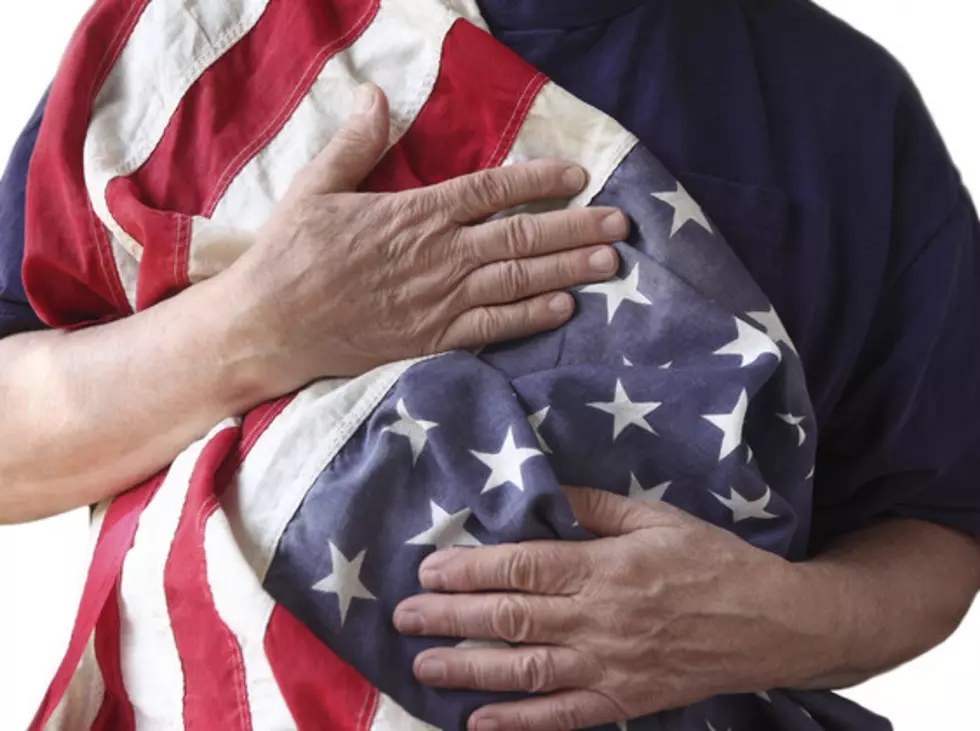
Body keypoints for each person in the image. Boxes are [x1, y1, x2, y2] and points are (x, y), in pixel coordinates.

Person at [2, 1, 979, 730]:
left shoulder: (842, 109)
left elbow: (939, 519)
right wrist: (253, 326)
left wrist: (782, 620)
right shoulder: (200, 44)